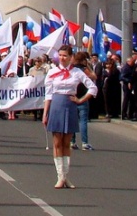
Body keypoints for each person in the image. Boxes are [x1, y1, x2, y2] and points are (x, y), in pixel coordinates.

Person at [43, 44, 97, 189]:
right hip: (56, 106)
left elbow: (93, 87)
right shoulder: (52, 72)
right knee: (57, 143)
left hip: (70, 105)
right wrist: (45, 113)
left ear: (71, 57)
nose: (62, 58)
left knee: (67, 142)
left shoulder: (77, 72)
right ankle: (60, 176)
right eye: (60, 55)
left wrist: (80, 100)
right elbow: (48, 94)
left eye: (65, 55)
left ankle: (65, 176)